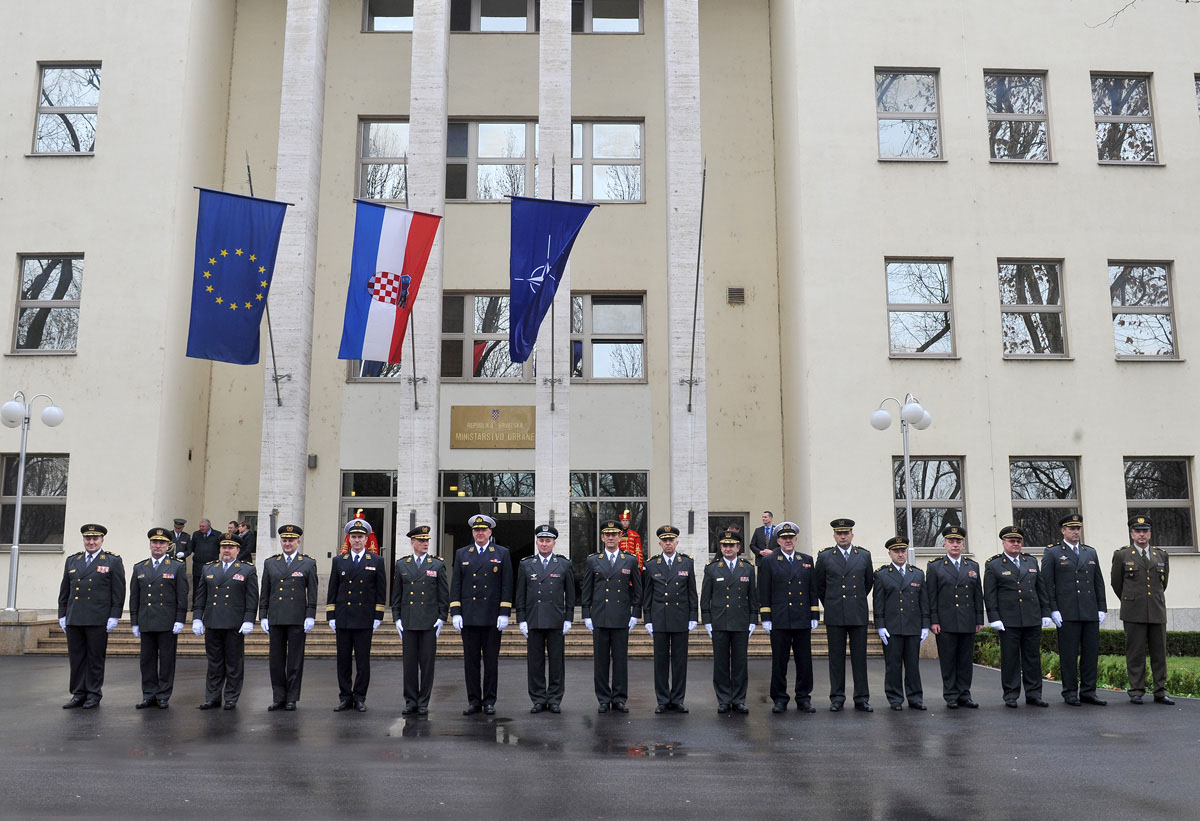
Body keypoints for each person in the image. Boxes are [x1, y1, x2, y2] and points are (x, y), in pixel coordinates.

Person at [450, 514, 513, 716]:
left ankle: (490, 701)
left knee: (491, 662)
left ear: (490, 532)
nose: (480, 533)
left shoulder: (502, 553)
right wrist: (456, 612)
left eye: (483, 530)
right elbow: (456, 584)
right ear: (472, 532)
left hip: (491, 616)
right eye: (476, 530)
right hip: (469, 616)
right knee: (471, 662)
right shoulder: (462, 553)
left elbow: (507, 584)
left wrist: (504, 612)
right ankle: (474, 701)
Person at [1042, 513, 1108, 706]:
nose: (1076, 532)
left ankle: (1088, 691)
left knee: (1090, 654)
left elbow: (1098, 582)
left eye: (1078, 528)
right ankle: (1070, 692)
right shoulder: (1053, 552)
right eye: (1072, 528)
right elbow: (1047, 584)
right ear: (1063, 530)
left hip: (1089, 610)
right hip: (1067, 611)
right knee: (1069, 655)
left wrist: (1101, 607)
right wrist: (1052, 609)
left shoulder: (1090, 552)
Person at [58, 523, 125, 709]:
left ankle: (94, 693)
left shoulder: (112, 561)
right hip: (75, 616)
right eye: (88, 538)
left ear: (102, 540)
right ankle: (78, 693)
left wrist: (114, 615)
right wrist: (62, 614)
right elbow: (65, 590)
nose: (91, 542)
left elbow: (118, 591)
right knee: (77, 658)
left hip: (98, 617)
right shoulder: (73, 560)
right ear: (84, 540)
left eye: (95, 538)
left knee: (95, 658)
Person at [984, 526, 1052, 708]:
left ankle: (1034, 694)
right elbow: (990, 594)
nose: (1015, 544)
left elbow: (1041, 589)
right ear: (1003, 543)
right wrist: (994, 617)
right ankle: (1011, 694)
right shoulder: (994, 564)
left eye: (1018, 541)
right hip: (1009, 620)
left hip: (1031, 617)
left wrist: (1046, 612)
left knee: (1032, 658)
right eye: (1011, 541)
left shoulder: (1031, 561)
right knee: (1010, 659)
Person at [1111, 515, 1174, 705]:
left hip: (1156, 609)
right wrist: (1131, 599)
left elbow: (1163, 583)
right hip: (1133, 611)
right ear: (1132, 534)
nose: (1141, 535)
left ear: (1150, 534)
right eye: (1138, 531)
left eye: (1145, 531)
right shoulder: (1122, 555)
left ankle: (1160, 691)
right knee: (1135, 653)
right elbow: (1116, 584)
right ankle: (1136, 690)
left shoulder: (1161, 555)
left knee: (1159, 653)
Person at [327, 518, 387, 712]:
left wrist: (378, 616)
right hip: (344, 617)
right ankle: (345, 697)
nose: (357, 540)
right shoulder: (339, 561)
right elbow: (333, 589)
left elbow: (380, 590)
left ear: (366, 539)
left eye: (360, 537)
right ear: (349, 539)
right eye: (353, 536)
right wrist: (331, 615)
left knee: (362, 662)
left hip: (364, 618)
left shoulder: (376, 561)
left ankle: (360, 697)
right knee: (343, 661)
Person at [582, 519, 642, 713]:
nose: (610, 537)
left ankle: (619, 698)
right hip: (599, 617)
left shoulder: (630, 560)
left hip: (621, 617)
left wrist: (635, 614)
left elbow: (637, 590)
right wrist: (586, 614)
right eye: (607, 534)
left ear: (620, 536)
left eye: (614, 534)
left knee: (620, 661)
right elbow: (587, 589)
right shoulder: (593, 560)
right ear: (602, 537)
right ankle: (603, 699)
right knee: (601, 662)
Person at [758, 521, 818, 713]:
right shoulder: (769, 561)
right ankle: (779, 698)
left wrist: (814, 613)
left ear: (796, 539)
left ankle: (803, 697)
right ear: (778, 541)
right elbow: (764, 589)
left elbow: (812, 589)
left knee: (804, 661)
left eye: (791, 537)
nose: (788, 540)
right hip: (780, 617)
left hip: (801, 617)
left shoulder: (806, 560)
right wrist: (766, 616)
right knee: (779, 661)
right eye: (784, 538)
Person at [815, 518, 874, 712]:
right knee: (836, 659)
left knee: (860, 658)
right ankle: (837, 697)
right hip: (835, 613)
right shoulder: (825, 556)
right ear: (834, 536)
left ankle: (862, 698)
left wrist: (853, 600)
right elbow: (820, 586)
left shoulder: (864, 555)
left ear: (852, 535)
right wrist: (832, 603)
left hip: (857, 613)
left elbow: (867, 583)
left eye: (846, 533)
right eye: (839, 533)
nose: (842, 536)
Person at [192, 536, 257, 710]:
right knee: (214, 662)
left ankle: (231, 697)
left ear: (238, 550)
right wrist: (197, 617)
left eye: (230, 547)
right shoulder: (208, 568)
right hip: (213, 621)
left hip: (234, 623)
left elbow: (251, 598)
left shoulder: (246, 569)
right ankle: (212, 697)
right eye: (223, 547)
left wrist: (249, 619)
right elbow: (200, 596)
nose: (226, 550)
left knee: (234, 663)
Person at [516, 524, 575, 714]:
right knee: (535, 663)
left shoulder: (564, 564)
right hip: (534, 618)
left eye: (548, 541)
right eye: (541, 540)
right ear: (536, 542)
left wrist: (569, 618)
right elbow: (520, 594)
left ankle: (555, 699)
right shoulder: (526, 564)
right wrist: (521, 618)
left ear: (553, 543)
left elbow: (571, 594)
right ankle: (538, 699)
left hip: (556, 619)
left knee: (557, 663)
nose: (544, 544)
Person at [259, 524, 317, 711]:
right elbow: (265, 591)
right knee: (276, 660)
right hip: (276, 616)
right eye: (284, 540)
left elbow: (312, 593)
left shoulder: (307, 563)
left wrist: (310, 615)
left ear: (298, 542)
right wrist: (263, 615)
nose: (287, 543)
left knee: (294, 661)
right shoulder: (270, 563)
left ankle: (292, 697)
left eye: (291, 540)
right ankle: (278, 697)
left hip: (296, 617)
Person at [392, 524, 449, 716]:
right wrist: (397, 618)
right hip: (409, 620)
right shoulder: (402, 565)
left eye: (427, 541)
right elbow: (397, 594)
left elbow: (443, 594)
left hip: (428, 621)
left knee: (427, 664)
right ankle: (410, 701)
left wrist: (442, 617)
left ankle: (424, 701)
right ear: (412, 542)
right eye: (421, 541)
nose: (425, 544)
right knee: (409, 665)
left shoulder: (437, 564)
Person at [925, 524, 984, 709]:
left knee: (965, 660)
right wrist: (934, 620)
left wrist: (979, 619)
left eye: (958, 541)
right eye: (951, 541)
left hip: (967, 620)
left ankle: (964, 694)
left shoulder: (972, 566)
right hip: (946, 621)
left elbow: (977, 594)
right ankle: (951, 695)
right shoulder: (935, 566)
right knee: (948, 660)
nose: (955, 544)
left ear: (963, 544)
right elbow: (931, 596)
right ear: (945, 544)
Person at [642, 524, 698, 713]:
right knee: (661, 662)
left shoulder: (686, 563)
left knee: (680, 662)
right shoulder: (652, 564)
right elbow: (648, 594)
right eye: (664, 540)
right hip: (659, 618)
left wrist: (693, 616)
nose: (668, 543)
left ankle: (678, 699)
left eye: (671, 540)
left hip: (680, 617)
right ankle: (663, 700)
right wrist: (647, 619)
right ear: (660, 543)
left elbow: (692, 592)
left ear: (676, 542)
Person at [129, 527, 188, 709]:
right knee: (147, 660)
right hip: (146, 619)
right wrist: (134, 621)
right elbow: (134, 596)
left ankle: (163, 695)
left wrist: (180, 619)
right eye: (155, 542)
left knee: (167, 660)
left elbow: (182, 595)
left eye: (162, 543)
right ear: (150, 544)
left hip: (167, 620)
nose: (158, 546)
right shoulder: (140, 567)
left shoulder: (177, 566)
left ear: (168, 545)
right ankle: (148, 694)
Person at [701, 528, 758, 713]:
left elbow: (753, 596)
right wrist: (707, 620)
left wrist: (753, 619)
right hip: (719, 621)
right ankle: (724, 699)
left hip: (741, 621)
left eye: (731, 545)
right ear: (720, 547)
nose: (727, 548)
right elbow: (705, 597)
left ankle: (739, 699)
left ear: (738, 547)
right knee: (721, 663)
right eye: (724, 545)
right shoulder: (712, 568)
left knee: (740, 663)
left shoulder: (747, 568)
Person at [873, 535, 930, 711]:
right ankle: (895, 698)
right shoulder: (882, 575)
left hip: (913, 627)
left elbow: (923, 601)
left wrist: (925, 625)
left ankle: (915, 698)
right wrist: (880, 625)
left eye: (903, 551)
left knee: (913, 665)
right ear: (890, 553)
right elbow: (878, 602)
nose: (900, 554)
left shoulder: (917, 573)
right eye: (896, 551)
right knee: (893, 666)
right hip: (892, 627)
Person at [186, 518, 221, 609]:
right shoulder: (196, 534)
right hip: (198, 565)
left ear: (209, 526)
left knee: (211, 586)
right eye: (200, 526)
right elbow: (193, 547)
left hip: (212, 566)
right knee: (197, 587)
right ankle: (196, 606)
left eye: (203, 526)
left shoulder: (217, 535)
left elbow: (219, 548)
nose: (201, 528)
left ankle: (209, 606)